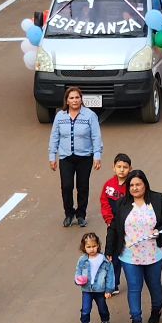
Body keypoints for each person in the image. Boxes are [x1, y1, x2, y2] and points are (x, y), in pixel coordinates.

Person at [106, 170, 162, 323]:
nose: (135, 188)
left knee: (154, 284)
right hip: (129, 256)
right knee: (134, 288)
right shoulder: (121, 204)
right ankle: (136, 321)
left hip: (154, 254)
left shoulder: (158, 199)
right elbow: (113, 228)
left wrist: (161, 230)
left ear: (145, 184)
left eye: (138, 184)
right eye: (131, 185)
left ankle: (156, 310)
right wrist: (109, 251)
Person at [48, 86, 103, 228]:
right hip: (66, 157)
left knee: (83, 187)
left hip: (85, 157)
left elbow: (96, 136)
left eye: (77, 97)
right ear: (66, 100)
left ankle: (81, 215)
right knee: (66, 186)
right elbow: (54, 136)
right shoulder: (60, 116)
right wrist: (52, 156)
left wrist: (97, 155)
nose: (74, 100)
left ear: (81, 99)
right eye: (71, 98)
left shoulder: (90, 115)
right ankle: (69, 213)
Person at [99, 153, 131, 296]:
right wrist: (108, 219)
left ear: (130, 169)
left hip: (128, 227)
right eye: (119, 166)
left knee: (128, 254)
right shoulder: (109, 185)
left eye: (125, 167)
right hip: (113, 226)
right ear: (113, 168)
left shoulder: (132, 186)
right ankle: (114, 283)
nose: (122, 170)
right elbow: (104, 202)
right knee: (112, 255)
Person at [74, 232, 116, 323]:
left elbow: (110, 276)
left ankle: (105, 320)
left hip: (100, 290)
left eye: (94, 246)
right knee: (85, 309)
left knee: (102, 307)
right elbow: (78, 271)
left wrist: (109, 290)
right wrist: (77, 279)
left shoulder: (104, 260)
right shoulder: (82, 260)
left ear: (98, 245)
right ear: (84, 247)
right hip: (86, 289)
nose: (92, 249)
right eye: (88, 247)